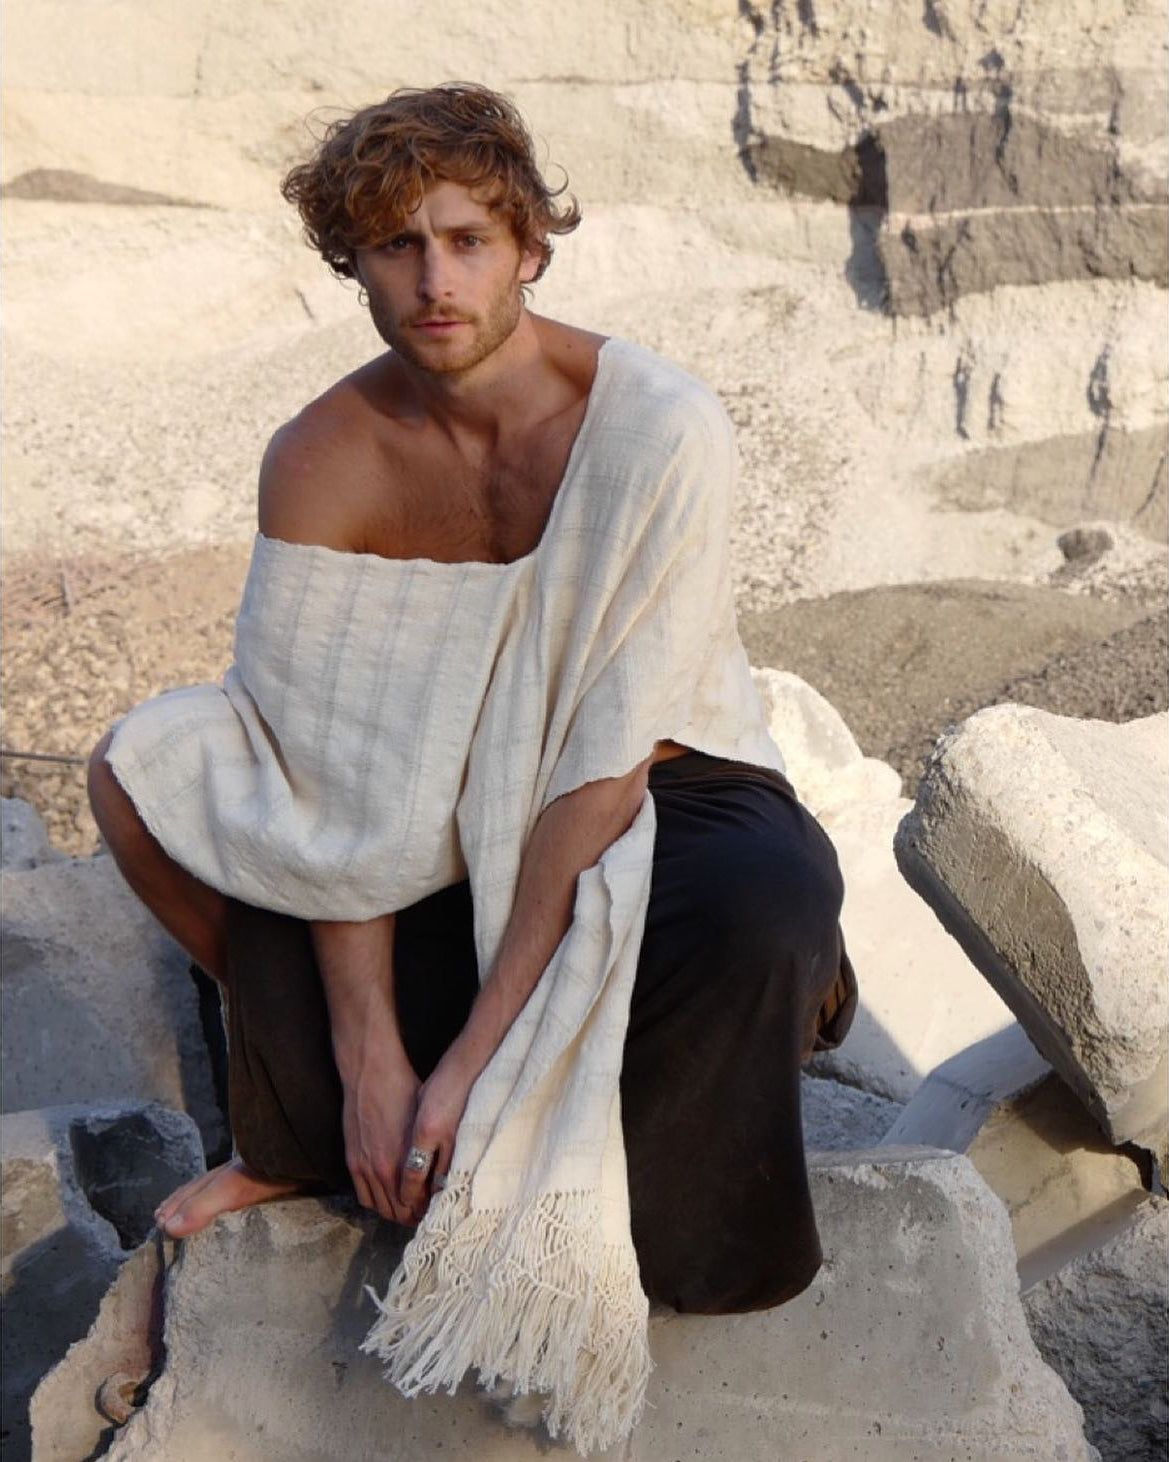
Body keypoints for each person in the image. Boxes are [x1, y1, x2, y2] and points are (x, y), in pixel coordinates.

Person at [87, 83, 856, 1451]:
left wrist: (463, 1069)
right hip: (420, 821)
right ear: (353, 265)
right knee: (144, 771)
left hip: (649, 789)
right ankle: (322, 1126)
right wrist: (373, 1059)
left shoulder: (656, 425)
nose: (434, 281)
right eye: (395, 246)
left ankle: (640, 1131)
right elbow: (330, 794)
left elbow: (596, 771)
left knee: (762, 902)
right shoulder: (327, 459)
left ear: (528, 245)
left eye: (465, 239)